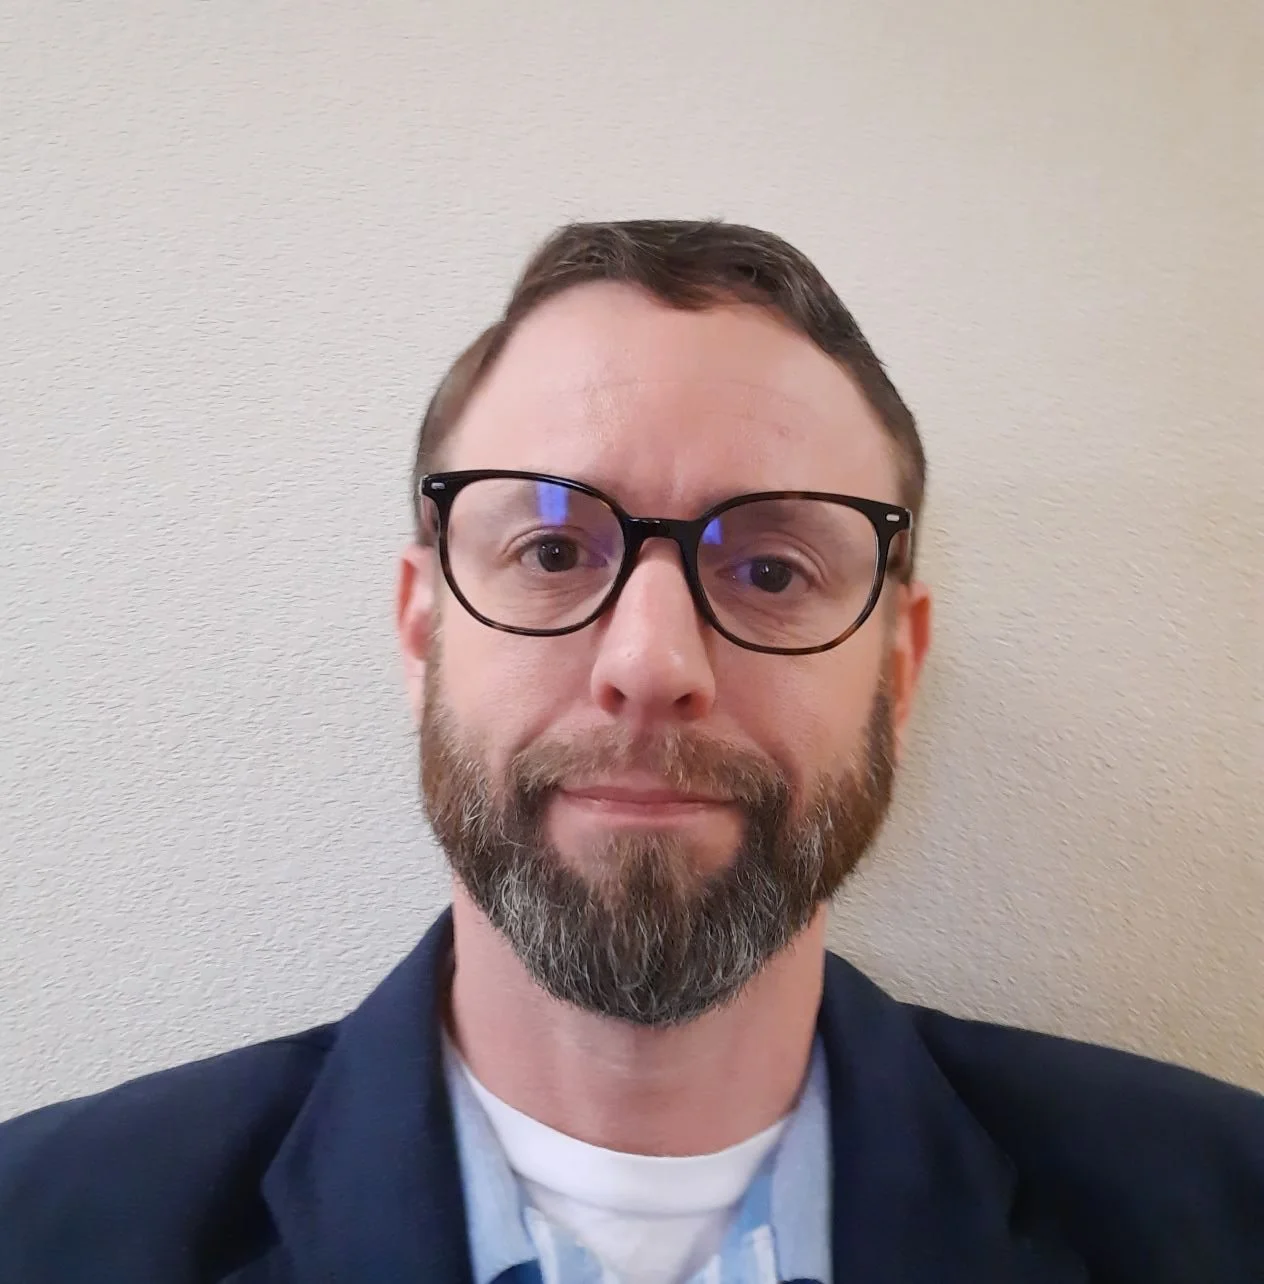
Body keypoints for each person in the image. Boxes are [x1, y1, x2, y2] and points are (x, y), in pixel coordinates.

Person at [0, 220, 1260, 1284]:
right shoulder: (43, 1225)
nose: (653, 664)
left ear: (899, 665)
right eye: (551, 553)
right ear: (420, 624)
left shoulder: (1221, 1206)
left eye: (771, 569)